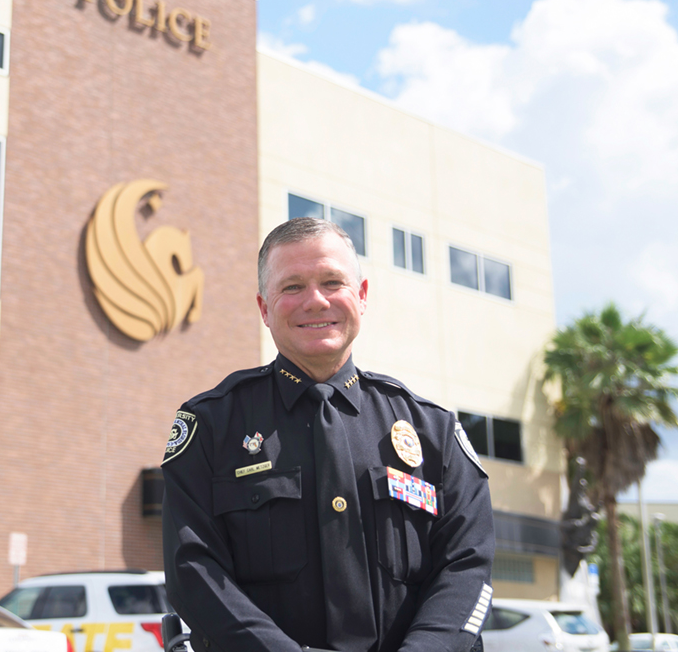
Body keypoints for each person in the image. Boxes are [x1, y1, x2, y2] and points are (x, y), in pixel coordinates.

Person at [161, 217, 494, 652]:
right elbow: (193, 570)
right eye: (292, 287)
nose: (315, 301)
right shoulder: (211, 427)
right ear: (264, 308)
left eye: (332, 282)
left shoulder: (434, 431)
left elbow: (467, 566)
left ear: (362, 296)